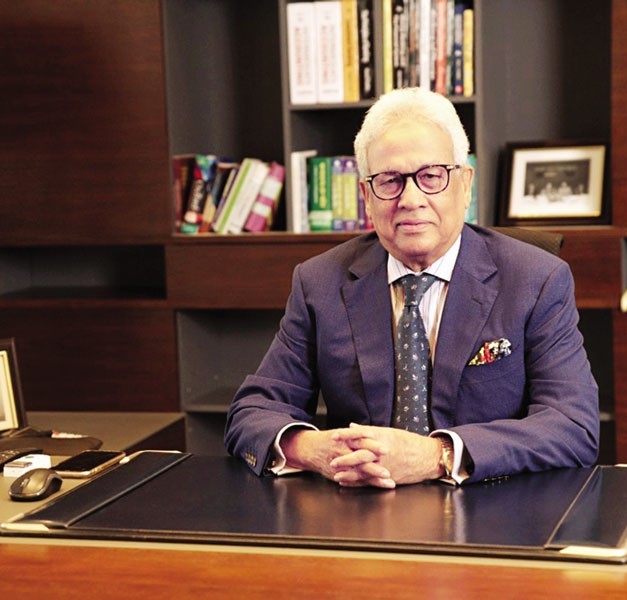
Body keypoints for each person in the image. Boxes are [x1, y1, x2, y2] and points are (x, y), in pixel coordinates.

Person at [224, 87, 599, 488]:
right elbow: (251, 412)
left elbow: (573, 425)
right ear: (367, 196)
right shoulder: (320, 282)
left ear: (465, 184)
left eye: (431, 176)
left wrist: (438, 456)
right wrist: (315, 449)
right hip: (359, 506)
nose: (411, 199)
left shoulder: (536, 280)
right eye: (390, 181)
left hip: (488, 505)